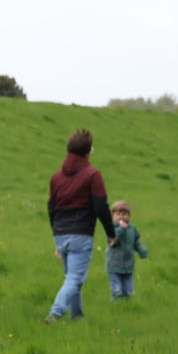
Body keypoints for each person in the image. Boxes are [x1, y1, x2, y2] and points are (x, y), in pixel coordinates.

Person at [45, 128, 115, 323]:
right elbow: (100, 206)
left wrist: (55, 236)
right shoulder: (93, 175)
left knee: (71, 277)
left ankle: (77, 316)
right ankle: (56, 312)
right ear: (89, 150)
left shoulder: (56, 177)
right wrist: (111, 233)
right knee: (75, 278)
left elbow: (51, 207)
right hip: (81, 233)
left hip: (60, 232)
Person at [106, 200, 149, 299]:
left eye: (124, 214)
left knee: (128, 292)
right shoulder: (111, 228)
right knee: (117, 291)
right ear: (112, 216)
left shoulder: (132, 228)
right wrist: (121, 229)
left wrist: (141, 250)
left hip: (128, 266)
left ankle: (127, 307)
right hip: (114, 265)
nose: (121, 216)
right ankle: (116, 308)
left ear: (129, 215)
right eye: (118, 214)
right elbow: (112, 242)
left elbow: (136, 241)